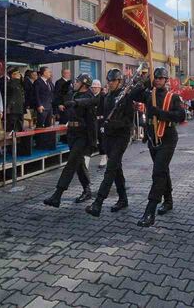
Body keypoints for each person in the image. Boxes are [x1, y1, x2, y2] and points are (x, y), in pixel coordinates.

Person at [129, 67, 186, 227]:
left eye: (161, 78)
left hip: (167, 138)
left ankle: (150, 211)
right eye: (156, 78)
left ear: (166, 80)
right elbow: (132, 95)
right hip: (152, 139)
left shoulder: (173, 97)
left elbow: (181, 116)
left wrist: (159, 113)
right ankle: (168, 201)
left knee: (158, 172)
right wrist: (145, 80)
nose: (159, 80)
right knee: (163, 170)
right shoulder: (148, 94)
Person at [43, 74, 98, 207]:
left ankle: (57, 195)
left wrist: (93, 141)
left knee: (71, 163)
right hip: (72, 134)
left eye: (78, 81)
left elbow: (92, 121)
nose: (75, 83)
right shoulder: (74, 94)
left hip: (83, 135)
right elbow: (59, 95)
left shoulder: (90, 97)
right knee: (78, 163)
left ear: (84, 84)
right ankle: (87, 190)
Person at [86, 69, 134, 217]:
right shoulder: (106, 97)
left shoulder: (126, 98)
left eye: (113, 81)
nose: (110, 83)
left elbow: (128, 121)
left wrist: (113, 124)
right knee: (116, 168)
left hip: (121, 137)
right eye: (109, 80)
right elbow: (99, 113)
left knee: (111, 168)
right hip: (109, 137)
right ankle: (123, 198)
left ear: (119, 82)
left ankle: (98, 203)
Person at [90, 79, 107, 166]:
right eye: (93, 87)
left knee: (101, 139)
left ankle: (103, 157)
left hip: (100, 120)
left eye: (96, 88)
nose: (95, 89)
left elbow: (105, 110)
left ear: (100, 88)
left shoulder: (103, 97)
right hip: (92, 121)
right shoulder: (90, 96)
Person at [5, 68, 25, 133]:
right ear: (12, 75)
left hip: (20, 107)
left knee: (20, 126)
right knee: (11, 126)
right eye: (17, 73)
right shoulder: (10, 83)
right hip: (13, 108)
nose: (19, 75)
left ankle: (19, 142)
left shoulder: (20, 83)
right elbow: (10, 95)